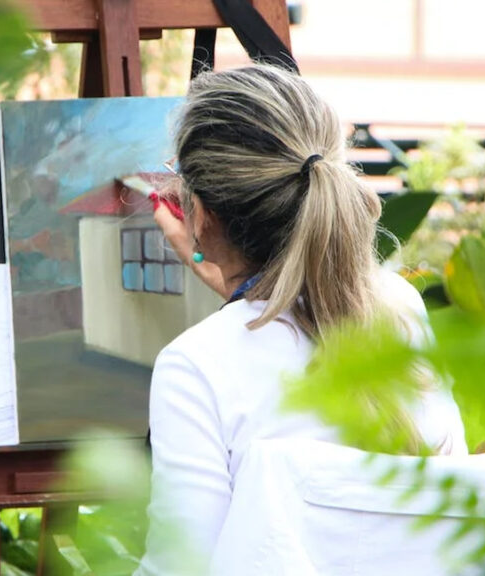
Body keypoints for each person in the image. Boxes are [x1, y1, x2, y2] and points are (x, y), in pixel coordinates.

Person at [135, 65, 467, 575]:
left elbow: (183, 565)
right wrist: (238, 291)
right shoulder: (400, 306)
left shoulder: (196, 365)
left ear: (200, 215)